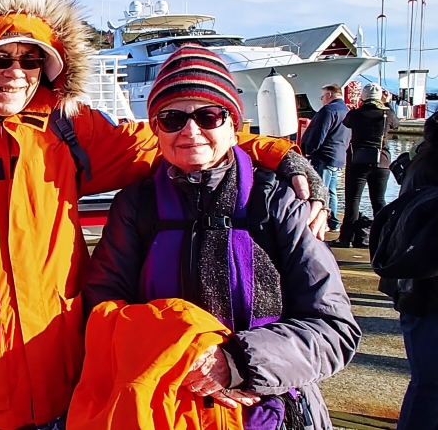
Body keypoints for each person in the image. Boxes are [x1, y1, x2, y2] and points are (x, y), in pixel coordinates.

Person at [0, 0, 324, 430]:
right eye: (0, 58)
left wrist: (280, 155)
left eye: (31, 59)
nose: (16, 72)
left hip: (65, 384)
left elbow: (181, 139)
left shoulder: (69, 133)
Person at [74, 45, 360, 429]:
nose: (191, 131)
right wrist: (178, 346)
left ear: (233, 124)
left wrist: (238, 362)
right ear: (155, 128)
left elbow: (334, 328)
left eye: (209, 115)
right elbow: (102, 307)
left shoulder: (277, 202)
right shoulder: (136, 205)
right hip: (165, 409)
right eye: (172, 118)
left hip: (269, 410)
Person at [373, 112, 438, 430]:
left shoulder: (422, 158)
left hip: (417, 287)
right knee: (429, 385)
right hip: (424, 291)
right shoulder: (428, 166)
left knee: (429, 384)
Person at [334, 83, 400, 248]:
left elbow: (346, 123)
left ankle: (346, 238)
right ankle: (383, 236)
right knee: (379, 200)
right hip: (381, 161)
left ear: (363, 97)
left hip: (358, 161)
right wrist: (387, 103)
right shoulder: (386, 114)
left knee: (353, 200)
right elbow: (396, 124)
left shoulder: (355, 114)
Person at [301, 83, 350, 231]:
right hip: (338, 156)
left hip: (324, 156)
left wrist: (308, 150)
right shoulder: (347, 111)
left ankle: (321, 222)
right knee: (332, 190)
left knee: (320, 191)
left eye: (322, 97)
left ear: (329, 95)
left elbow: (319, 133)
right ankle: (333, 222)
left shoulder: (328, 110)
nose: (322, 100)